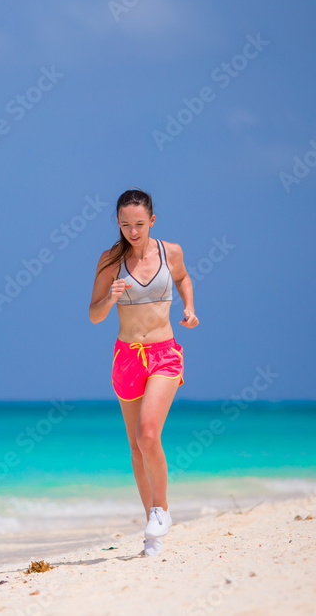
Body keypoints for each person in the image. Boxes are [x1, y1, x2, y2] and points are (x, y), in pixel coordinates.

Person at [88, 188, 199, 556]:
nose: (132, 231)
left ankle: (162, 509)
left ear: (152, 220)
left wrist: (189, 308)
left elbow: (182, 278)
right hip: (127, 356)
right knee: (136, 446)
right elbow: (94, 314)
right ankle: (152, 534)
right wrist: (110, 297)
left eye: (138, 224)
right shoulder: (110, 260)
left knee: (149, 434)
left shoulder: (172, 252)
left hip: (164, 353)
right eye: (124, 225)